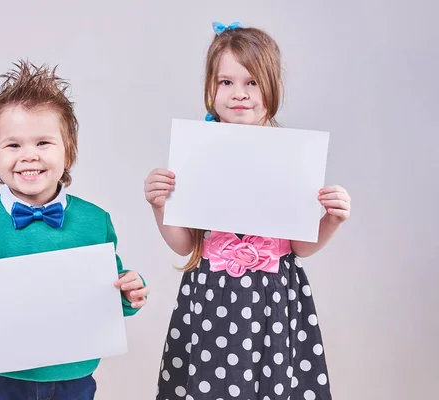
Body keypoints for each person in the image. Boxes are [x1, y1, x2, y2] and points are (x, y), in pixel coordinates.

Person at [145, 21, 350, 399]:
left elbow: (301, 247)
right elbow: (182, 244)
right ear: (210, 89)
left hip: (274, 294)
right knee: (211, 383)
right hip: (212, 293)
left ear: (273, 88)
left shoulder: (292, 157)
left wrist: (331, 219)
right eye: (226, 82)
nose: (239, 94)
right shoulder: (197, 154)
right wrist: (160, 206)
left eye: (252, 82)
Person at [0, 60, 149, 400]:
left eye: (43, 143)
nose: (29, 156)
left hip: (75, 373)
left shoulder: (94, 220)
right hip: (3, 377)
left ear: (68, 151)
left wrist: (131, 293)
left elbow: (112, 291)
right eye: (13, 145)